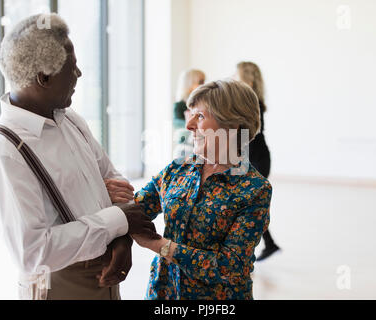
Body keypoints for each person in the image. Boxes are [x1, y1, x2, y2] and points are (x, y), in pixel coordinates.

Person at [0, 14, 158, 300]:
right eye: (72, 68)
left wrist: (122, 240)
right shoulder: (6, 155)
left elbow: (115, 181)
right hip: (58, 288)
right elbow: (33, 252)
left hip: (106, 275)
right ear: (43, 78)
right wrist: (117, 220)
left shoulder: (70, 120)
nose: (79, 75)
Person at [107, 79, 272, 300]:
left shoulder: (254, 190)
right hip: (162, 293)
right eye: (190, 114)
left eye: (200, 116)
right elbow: (137, 211)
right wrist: (115, 197)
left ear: (232, 126)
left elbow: (228, 268)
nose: (189, 125)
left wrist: (158, 245)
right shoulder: (177, 169)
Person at [234, 61, 280, 261]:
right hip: (250, 159)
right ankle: (267, 244)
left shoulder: (252, 102)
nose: (233, 77)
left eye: (237, 75)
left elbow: (247, 134)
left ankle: (250, 251)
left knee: (249, 206)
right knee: (248, 206)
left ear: (247, 79)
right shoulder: (249, 101)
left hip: (257, 160)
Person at [173, 69, 205, 159]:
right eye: (201, 82)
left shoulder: (200, 104)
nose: (204, 85)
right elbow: (177, 124)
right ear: (190, 83)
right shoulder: (179, 105)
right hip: (185, 145)